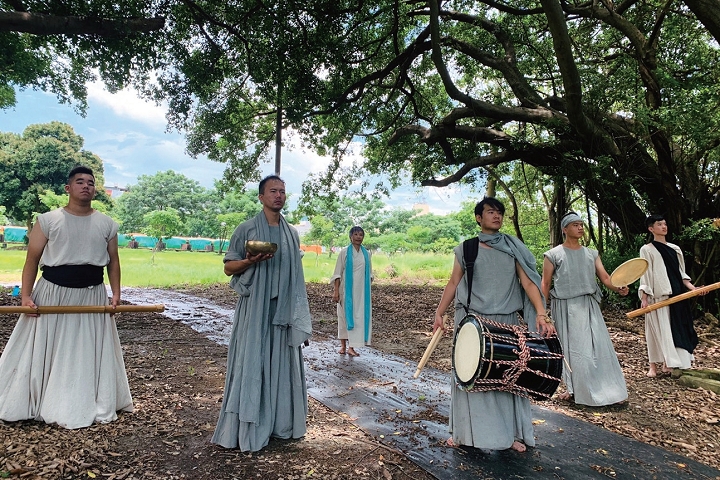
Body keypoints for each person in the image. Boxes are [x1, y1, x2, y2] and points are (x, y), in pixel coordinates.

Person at [0, 165, 133, 429]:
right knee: (42, 347)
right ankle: (34, 399)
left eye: (91, 183)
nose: (86, 186)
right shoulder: (48, 220)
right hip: (52, 292)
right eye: (80, 182)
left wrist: (116, 293)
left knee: (85, 347)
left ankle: (84, 399)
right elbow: (32, 260)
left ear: (95, 190)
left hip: (92, 294)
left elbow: (113, 263)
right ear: (68, 188)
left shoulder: (107, 224)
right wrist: (26, 296)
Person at [432, 197, 555, 453]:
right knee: (469, 379)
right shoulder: (466, 248)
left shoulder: (513, 248)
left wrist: (541, 313)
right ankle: (464, 433)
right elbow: (453, 283)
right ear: (479, 217)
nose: (496, 216)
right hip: (472, 322)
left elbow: (529, 283)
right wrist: (439, 313)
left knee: (507, 378)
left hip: (506, 323)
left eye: (499, 212)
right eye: (490, 212)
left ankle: (509, 435)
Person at [212, 175, 312, 451]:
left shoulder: (291, 234)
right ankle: (247, 427)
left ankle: (281, 424)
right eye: (273, 191)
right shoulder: (246, 229)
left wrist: (298, 317)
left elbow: (296, 277)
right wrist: (249, 261)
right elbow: (229, 267)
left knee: (282, 364)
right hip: (255, 309)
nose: (278, 195)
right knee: (252, 360)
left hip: (283, 311)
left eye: (282, 191)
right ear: (261, 197)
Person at [541, 212, 628, 406]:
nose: (580, 228)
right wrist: (542, 312)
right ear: (564, 229)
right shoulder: (553, 255)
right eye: (575, 225)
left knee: (599, 346)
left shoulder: (591, 254)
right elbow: (545, 284)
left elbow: (605, 278)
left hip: (589, 305)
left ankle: (609, 390)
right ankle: (576, 391)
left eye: (581, 224)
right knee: (573, 349)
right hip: (565, 306)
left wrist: (618, 287)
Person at [639, 214, 700, 377]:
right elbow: (645, 274)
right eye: (659, 224)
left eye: (665, 224)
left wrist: (692, 288)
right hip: (658, 296)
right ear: (651, 229)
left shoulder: (675, 249)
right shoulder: (646, 249)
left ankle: (669, 363)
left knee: (672, 330)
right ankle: (653, 366)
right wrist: (644, 297)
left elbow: (681, 273)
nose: (664, 227)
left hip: (677, 296)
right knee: (654, 330)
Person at [331, 226, 373, 357]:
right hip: (346, 291)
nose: (358, 237)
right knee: (343, 317)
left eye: (361, 234)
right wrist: (336, 291)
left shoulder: (367, 254)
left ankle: (352, 347)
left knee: (358, 318)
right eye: (356, 234)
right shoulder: (344, 252)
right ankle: (343, 346)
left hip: (361, 294)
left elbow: (370, 274)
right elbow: (337, 273)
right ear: (350, 237)